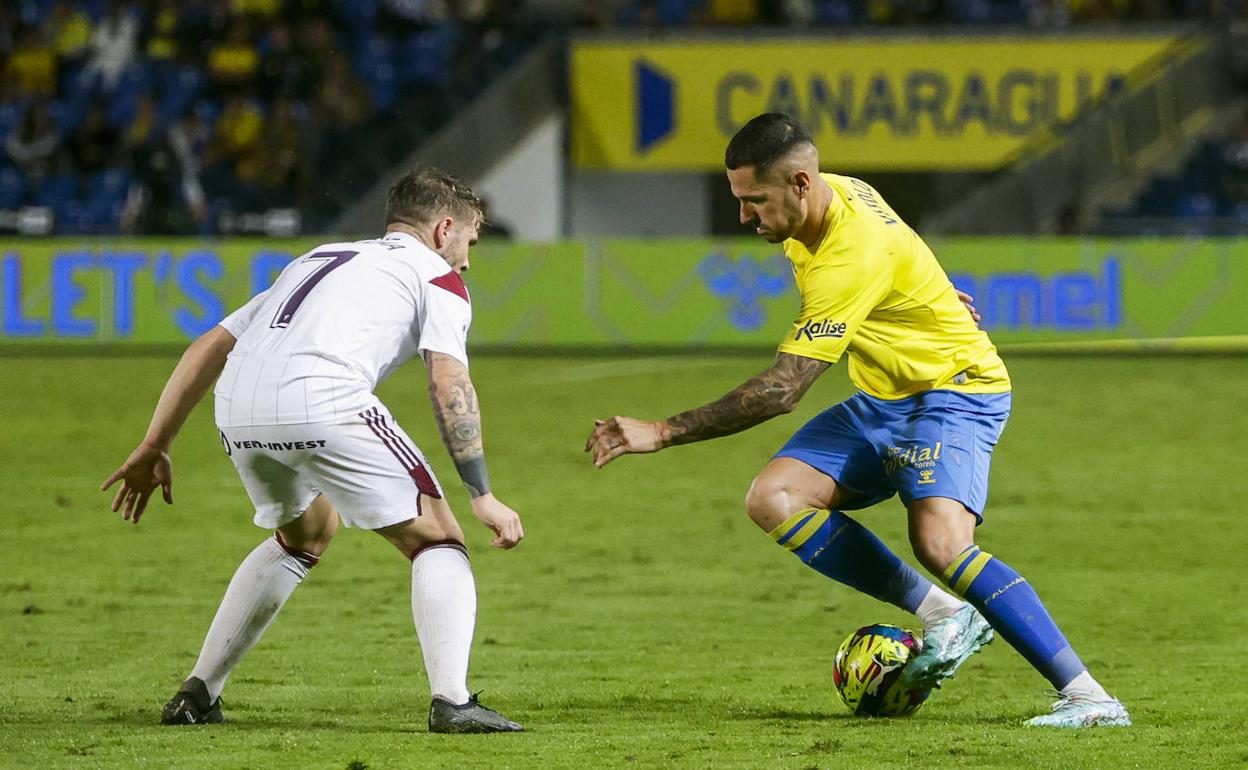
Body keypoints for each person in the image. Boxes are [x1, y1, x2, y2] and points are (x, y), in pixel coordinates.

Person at [585, 113, 1129, 729]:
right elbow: (903, 247)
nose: (744, 217)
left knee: (942, 542)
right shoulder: (833, 193)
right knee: (775, 497)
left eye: (753, 201)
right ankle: (945, 615)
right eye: (738, 200)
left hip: (951, 392)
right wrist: (935, 289)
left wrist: (661, 431)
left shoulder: (848, 252)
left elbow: (782, 389)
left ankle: (1089, 697)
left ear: (798, 183)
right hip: (883, 396)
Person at [102, 169, 526, 734]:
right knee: (439, 537)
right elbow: (448, 380)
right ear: (445, 228)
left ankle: (197, 693)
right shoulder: (437, 277)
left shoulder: (318, 258)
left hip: (237, 405)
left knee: (305, 534)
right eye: (470, 241)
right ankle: (453, 702)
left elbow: (211, 344)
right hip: (322, 397)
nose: (468, 259)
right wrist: (482, 492)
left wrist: (157, 442)